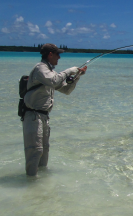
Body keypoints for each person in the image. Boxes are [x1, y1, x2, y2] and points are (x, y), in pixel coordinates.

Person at [22, 43, 87, 176]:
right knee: (35, 150)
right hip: (33, 116)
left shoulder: (50, 72)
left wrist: (77, 76)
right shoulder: (40, 68)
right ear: (50, 54)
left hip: (44, 117)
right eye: (58, 54)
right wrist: (69, 70)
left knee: (44, 150)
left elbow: (66, 89)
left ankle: (41, 182)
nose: (59, 58)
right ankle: (31, 183)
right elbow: (54, 81)